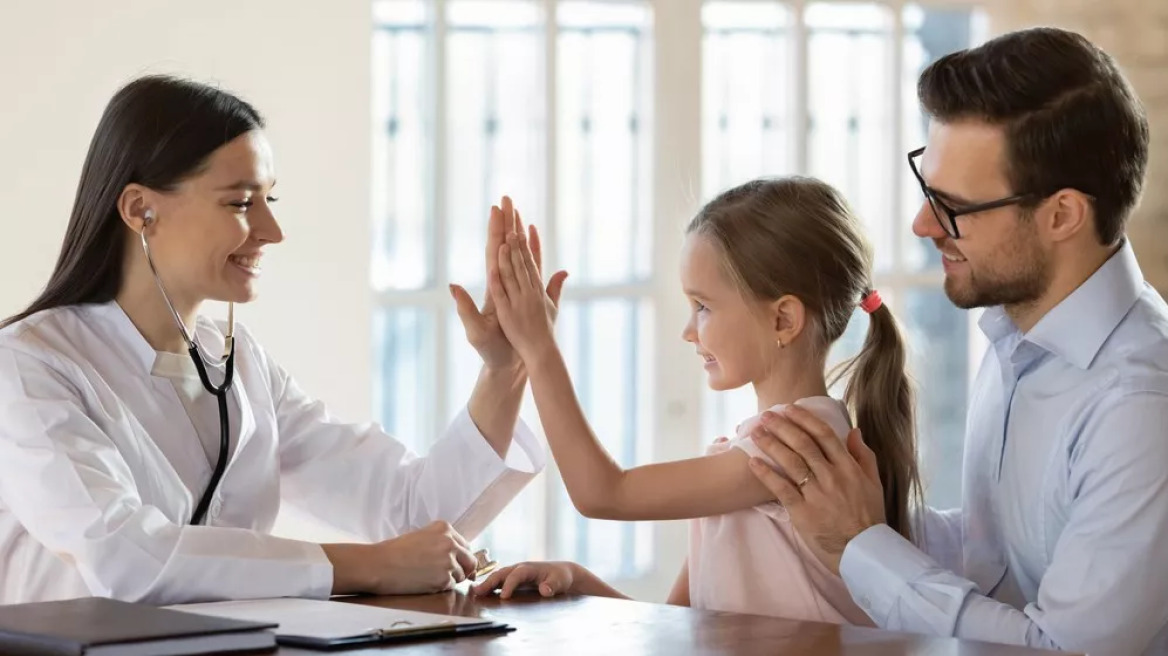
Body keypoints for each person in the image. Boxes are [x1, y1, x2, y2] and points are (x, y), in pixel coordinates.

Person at [0, 75, 565, 605]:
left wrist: (504, 370)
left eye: (269, 200)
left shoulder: (240, 365)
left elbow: (416, 515)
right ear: (140, 209)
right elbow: (124, 557)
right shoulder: (28, 366)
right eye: (241, 203)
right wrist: (365, 565)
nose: (272, 232)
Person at [746, 27, 1168, 655]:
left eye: (954, 207)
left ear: (1061, 215)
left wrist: (861, 544)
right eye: (927, 190)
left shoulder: (1141, 405)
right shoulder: (1016, 337)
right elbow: (997, 558)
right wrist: (854, 516)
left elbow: (1059, 649)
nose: (922, 225)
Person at [470, 177, 922, 625]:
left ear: (783, 319)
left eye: (703, 306)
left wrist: (539, 348)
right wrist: (577, 580)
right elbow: (680, 628)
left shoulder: (794, 448)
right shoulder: (761, 451)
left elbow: (603, 493)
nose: (689, 331)